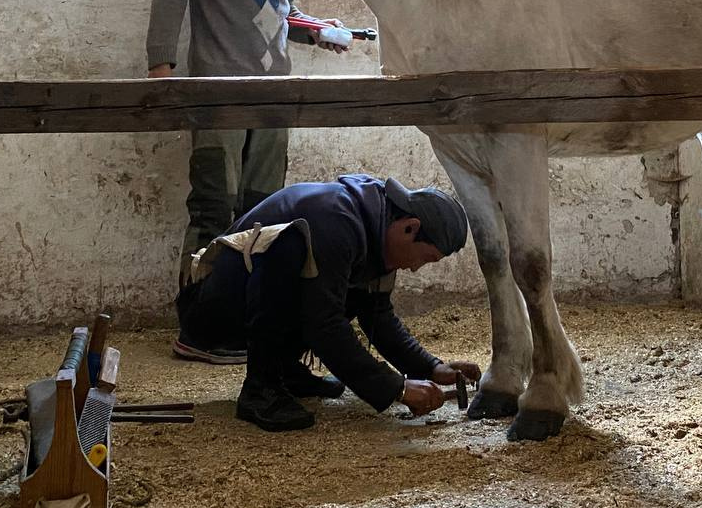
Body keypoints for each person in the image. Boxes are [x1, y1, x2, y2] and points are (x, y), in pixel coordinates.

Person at [146, 0, 348, 364]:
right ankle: (197, 327)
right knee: (215, 205)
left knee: (263, 212)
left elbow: (278, 12)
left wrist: (314, 29)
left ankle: (241, 320)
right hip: (218, 91)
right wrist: (161, 69)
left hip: (274, 97)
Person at [176, 174, 481, 432]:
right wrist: (396, 389)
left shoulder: (376, 225)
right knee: (291, 245)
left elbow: (379, 316)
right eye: (425, 258)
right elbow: (325, 325)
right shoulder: (338, 221)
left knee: (338, 287)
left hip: (240, 302)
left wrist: (431, 367)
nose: (415, 268)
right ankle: (261, 389)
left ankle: (284, 371)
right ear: (409, 228)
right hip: (209, 314)